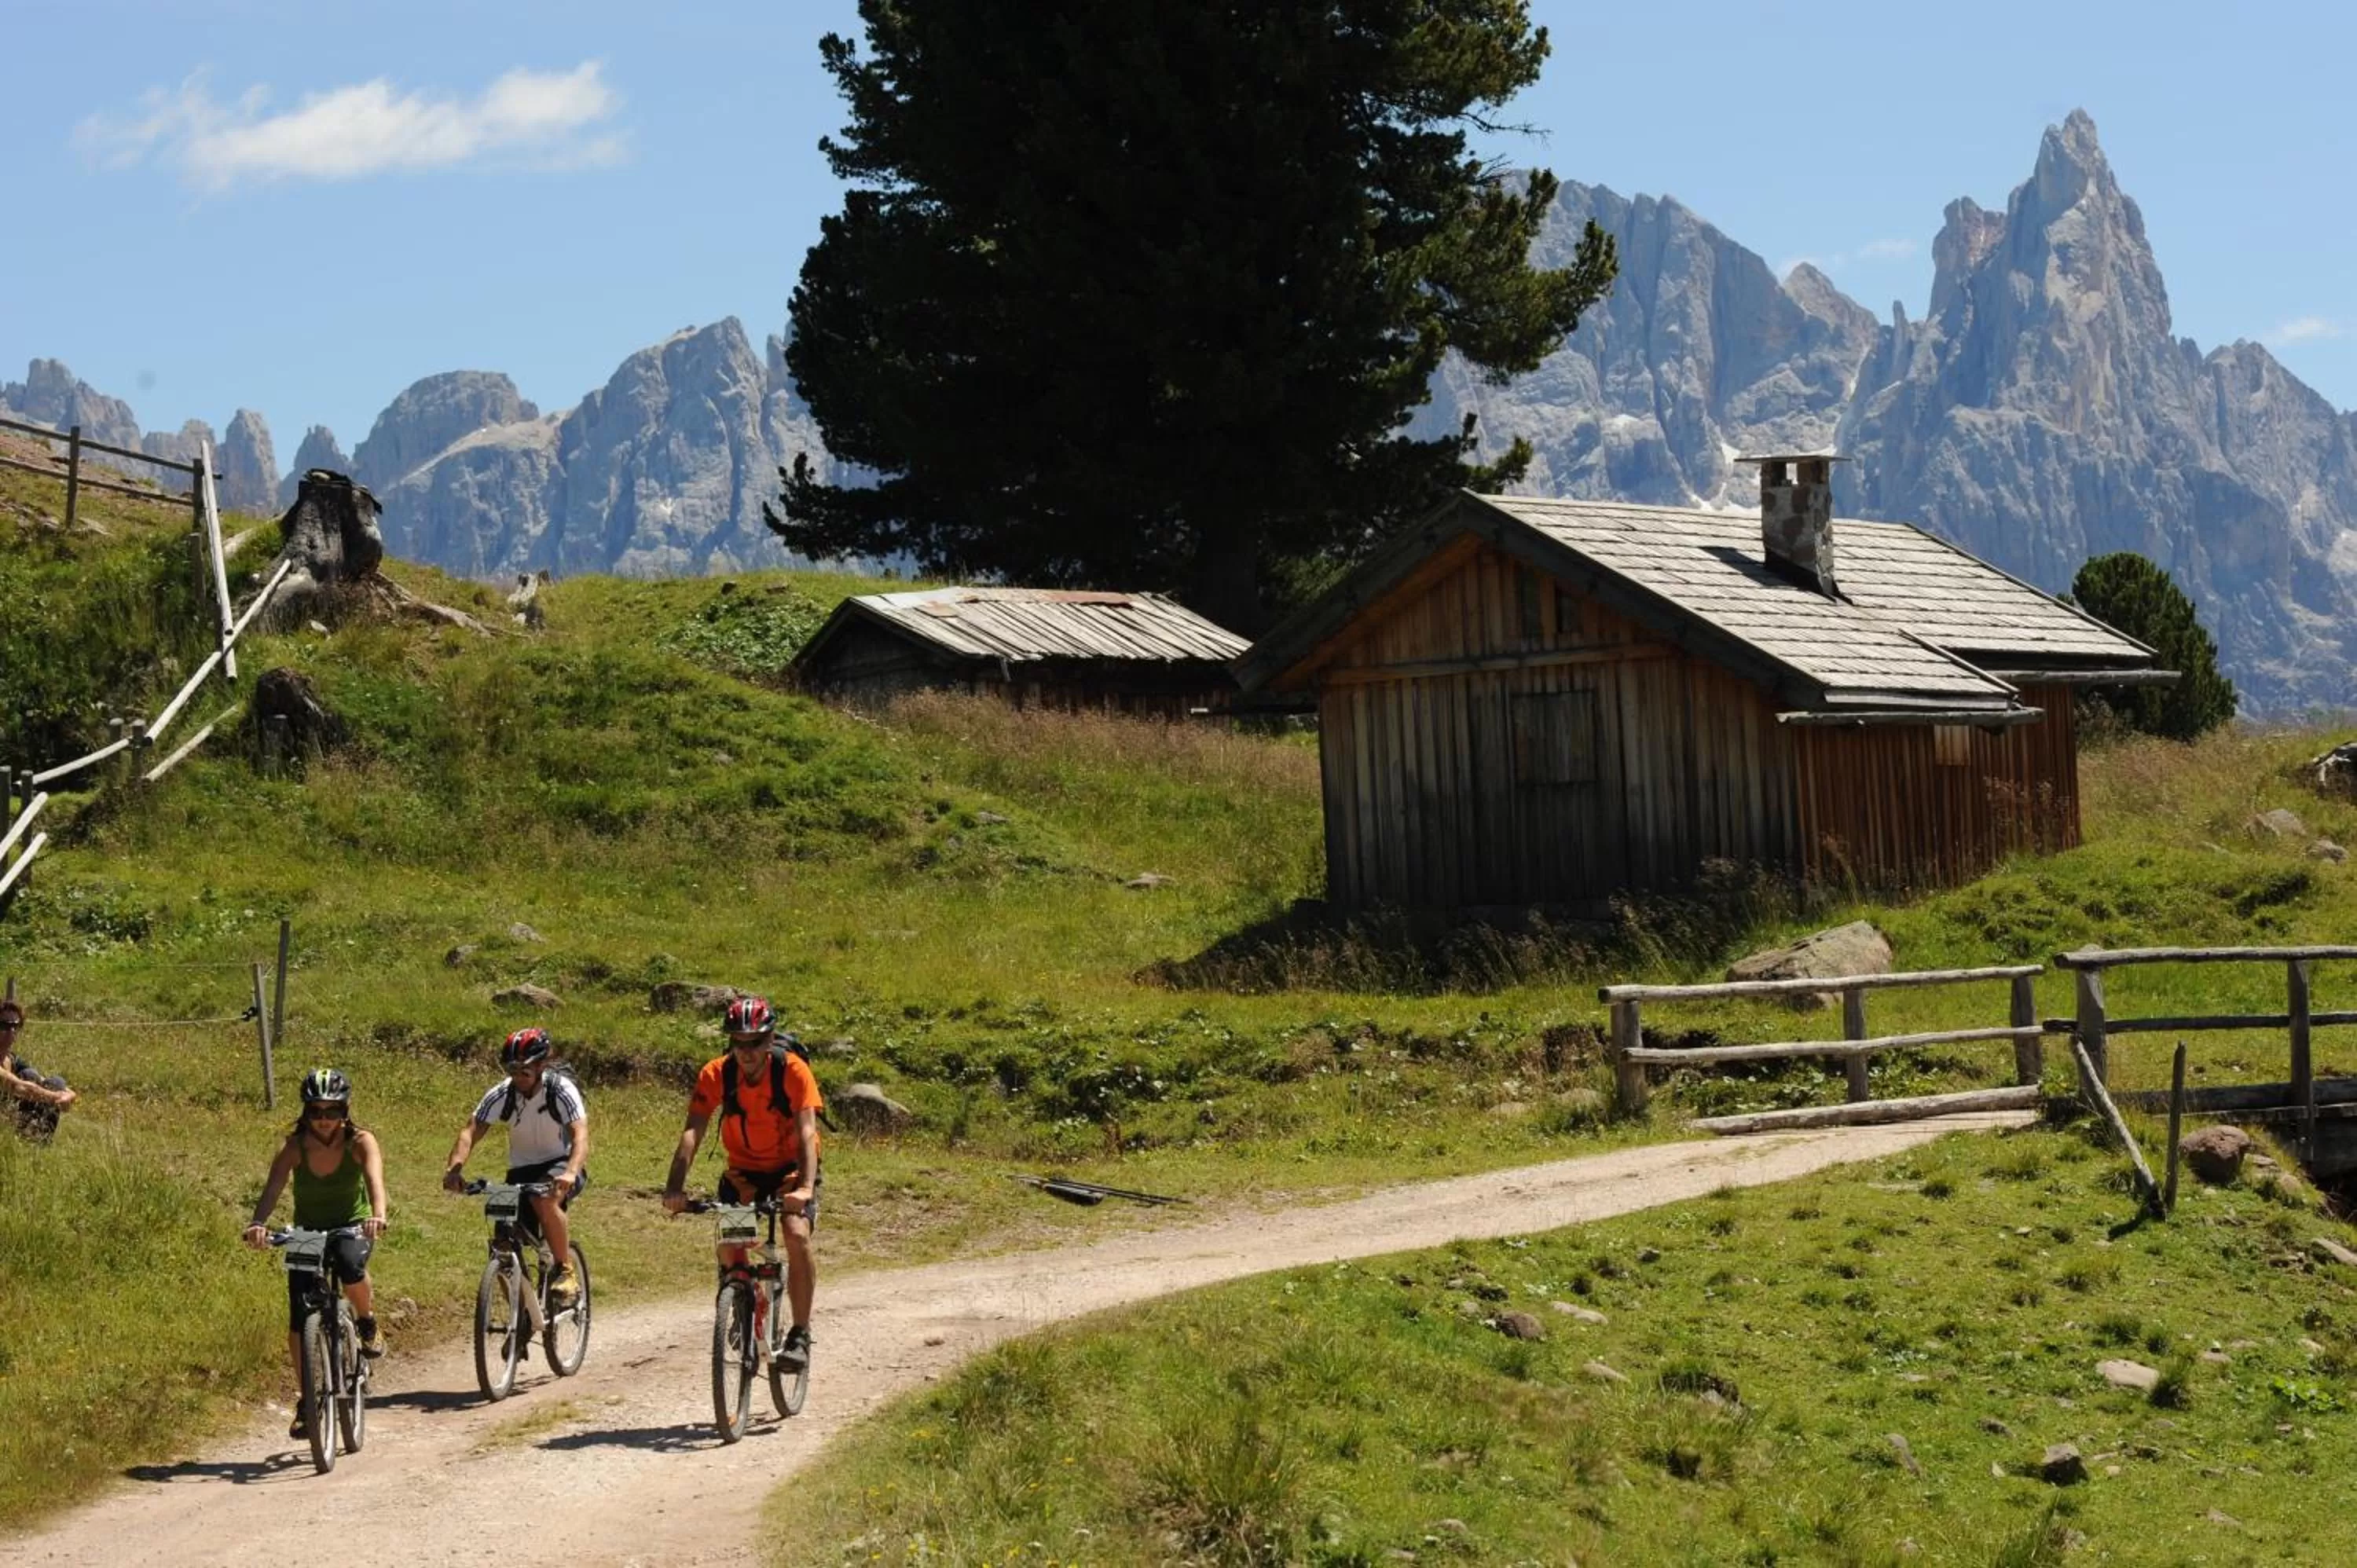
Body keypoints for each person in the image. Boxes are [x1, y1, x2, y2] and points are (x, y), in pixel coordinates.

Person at [662, 995, 823, 1368]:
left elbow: (806, 1132)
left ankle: (800, 1333)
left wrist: (805, 1188)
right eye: (738, 1042)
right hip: (744, 1172)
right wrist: (674, 1187)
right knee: (732, 1242)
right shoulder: (717, 1074)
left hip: (792, 1167)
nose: (746, 1051)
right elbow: (693, 1131)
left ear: (770, 1041)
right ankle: (740, 1296)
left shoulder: (793, 1071)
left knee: (796, 1234)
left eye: (754, 1043)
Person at [241, 1067, 390, 1439]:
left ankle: (367, 1321)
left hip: (351, 1224)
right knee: (299, 1314)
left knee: (351, 1264)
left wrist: (378, 1217)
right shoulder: (295, 1146)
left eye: (332, 1111)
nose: (324, 1120)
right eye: (316, 1112)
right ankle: (308, 1399)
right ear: (306, 1112)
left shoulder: (361, 1141)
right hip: (308, 1230)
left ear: (346, 1110)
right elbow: (274, 1187)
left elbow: (375, 1181)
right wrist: (258, 1224)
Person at [441, 1027, 588, 1307]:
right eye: (512, 1069)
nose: (518, 1077)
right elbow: (470, 1131)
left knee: (543, 1200)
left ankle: (566, 1271)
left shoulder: (561, 1090)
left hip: (562, 1162)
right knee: (502, 1241)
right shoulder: (502, 1093)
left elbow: (581, 1135)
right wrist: (454, 1170)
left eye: (525, 1071)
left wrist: (570, 1172)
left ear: (541, 1066)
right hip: (521, 1170)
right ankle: (520, 1315)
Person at [0, 997, 75, 1143]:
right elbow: (19, 1087)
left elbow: (43, 1080)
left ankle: (40, 1141)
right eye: (4, 1026)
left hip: (11, 1117)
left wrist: (69, 1095)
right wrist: (56, 1098)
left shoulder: (11, 1058)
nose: (11, 1032)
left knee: (52, 1081)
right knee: (30, 1080)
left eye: (16, 1026)